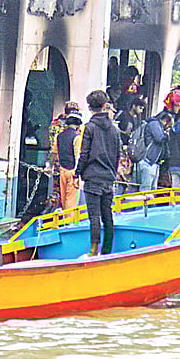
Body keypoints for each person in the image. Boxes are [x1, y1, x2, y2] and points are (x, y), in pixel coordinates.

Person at [75, 90, 122, 257]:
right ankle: (107, 250)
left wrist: (77, 173)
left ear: (90, 107)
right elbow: (117, 155)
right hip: (108, 176)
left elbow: (84, 154)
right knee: (107, 215)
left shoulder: (89, 127)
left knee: (94, 216)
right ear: (105, 105)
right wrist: (112, 173)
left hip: (92, 177)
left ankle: (94, 250)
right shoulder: (115, 130)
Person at [135, 111, 171, 191]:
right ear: (165, 120)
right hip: (148, 161)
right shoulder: (154, 124)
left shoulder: (157, 125)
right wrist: (167, 135)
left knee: (152, 189)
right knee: (146, 189)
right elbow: (159, 138)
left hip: (154, 162)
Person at [55, 113, 83, 209]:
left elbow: (55, 152)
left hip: (62, 169)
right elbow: (77, 156)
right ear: (78, 125)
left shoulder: (60, 136)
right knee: (71, 200)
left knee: (63, 199)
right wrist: (77, 173)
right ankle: (69, 218)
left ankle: (64, 217)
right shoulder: (77, 137)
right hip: (72, 171)